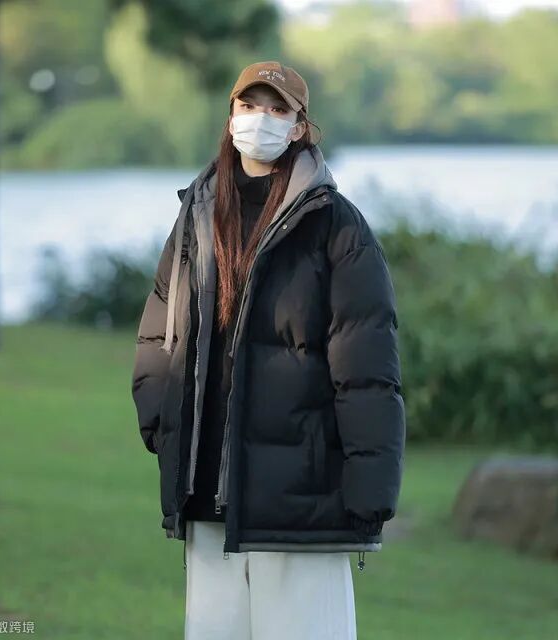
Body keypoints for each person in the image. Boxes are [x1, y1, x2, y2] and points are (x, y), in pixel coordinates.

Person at [131, 60, 406, 640]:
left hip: (302, 500)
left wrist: (372, 484)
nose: (261, 118)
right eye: (249, 105)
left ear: (300, 126)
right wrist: (159, 419)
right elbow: (160, 325)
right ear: (231, 115)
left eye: (278, 109)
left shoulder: (336, 225)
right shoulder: (197, 214)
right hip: (205, 489)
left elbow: (366, 365)